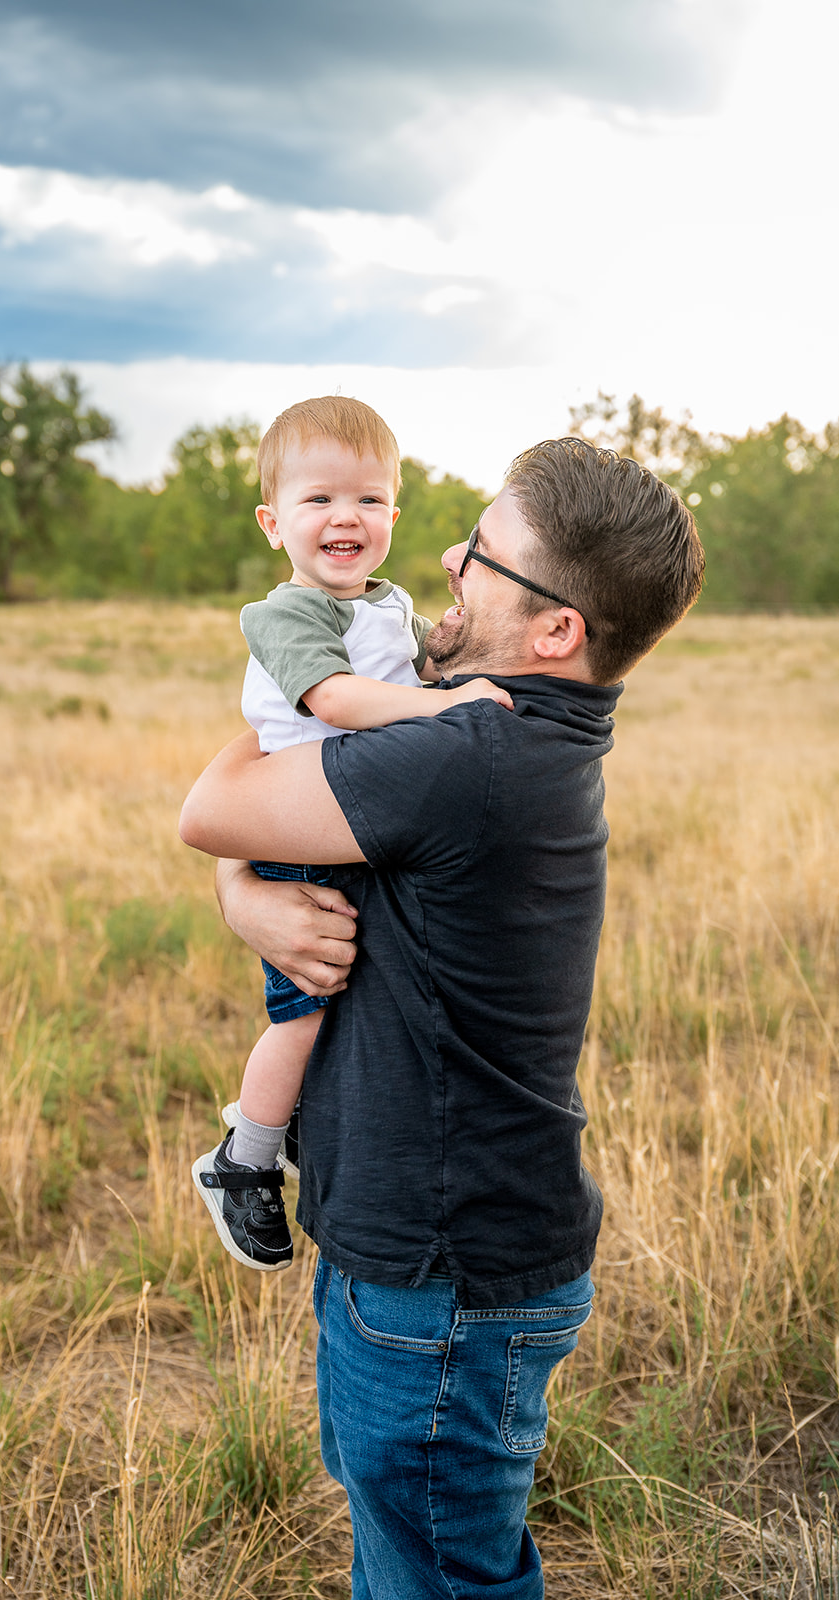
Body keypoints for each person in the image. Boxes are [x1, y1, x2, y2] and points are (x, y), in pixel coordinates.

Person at [180, 436, 705, 1599]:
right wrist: (251, 895)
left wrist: (239, 879)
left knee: (440, 1578)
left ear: (556, 629)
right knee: (413, 1555)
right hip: (444, 1252)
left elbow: (213, 806)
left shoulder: (465, 745)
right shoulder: (523, 728)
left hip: (442, 1276)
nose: (449, 563)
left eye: (483, 554)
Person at [191, 396, 510, 1271]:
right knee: (308, 1010)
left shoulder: (388, 604)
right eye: (319, 499)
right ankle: (244, 1156)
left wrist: (449, 653)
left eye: (368, 499)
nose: (346, 517)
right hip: (297, 829)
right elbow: (334, 699)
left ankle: (304, 1121)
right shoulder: (283, 614)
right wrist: (449, 705)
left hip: (356, 820)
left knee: (360, 999)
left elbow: (420, 666)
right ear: (273, 524)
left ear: (392, 517)